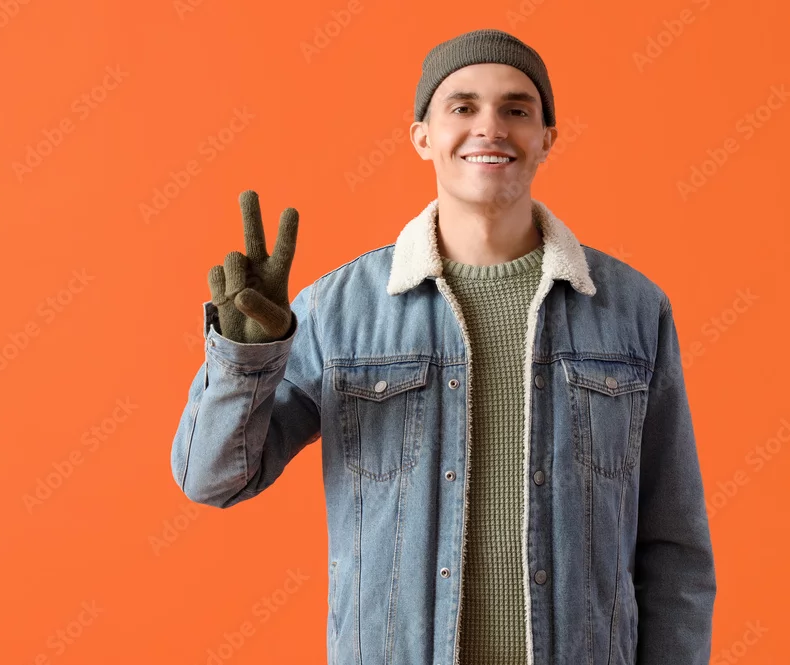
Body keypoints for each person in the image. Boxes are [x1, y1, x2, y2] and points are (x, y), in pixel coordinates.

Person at [171, 27, 715, 665]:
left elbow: (674, 549)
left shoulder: (632, 310)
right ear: (422, 136)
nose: (490, 127)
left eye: (517, 110)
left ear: (547, 138)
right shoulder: (339, 311)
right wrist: (245, 362)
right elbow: (214, 479)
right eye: (462, 107)